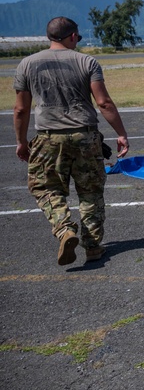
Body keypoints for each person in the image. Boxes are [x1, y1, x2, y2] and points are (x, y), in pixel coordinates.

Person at [13, 16, 130, 266]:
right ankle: (93, 246)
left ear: (48, 37)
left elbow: (20, 110)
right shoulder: (87, 61)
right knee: (90, 192)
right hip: (85, 135)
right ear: (73, 36)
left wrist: (22, 141)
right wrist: (121, 133)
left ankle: (65, 228)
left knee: (45, 188)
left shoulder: (27, 64)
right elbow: (103, 102)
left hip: (47, 138)